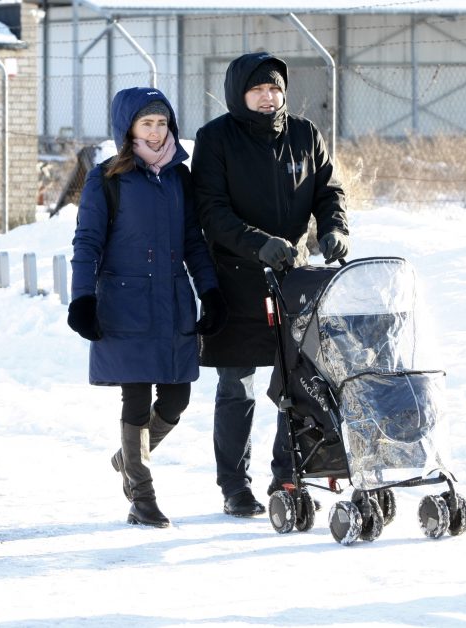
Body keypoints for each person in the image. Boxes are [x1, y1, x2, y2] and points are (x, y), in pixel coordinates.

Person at [191, 52, 349, 517]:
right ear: (240, 93)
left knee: (296, 385)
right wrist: (256, 243)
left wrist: (334, 227)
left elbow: (329, 190)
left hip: (294, 279)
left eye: (275, 88)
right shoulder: (215, 139)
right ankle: (234, 486)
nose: (268, 96)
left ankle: (288, 472)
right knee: (236, 387)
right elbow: (211, 210)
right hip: (237, 278)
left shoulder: (305, 134)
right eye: (258, 89)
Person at [67, 87, 226, 528]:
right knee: (135, 398)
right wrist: (82, 299)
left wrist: (209, 291)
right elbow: (87, 244)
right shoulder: (106, 179)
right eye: (146, 123)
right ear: (128, 129)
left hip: (173, 304)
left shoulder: (181, 177)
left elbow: (194, 242)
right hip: (125, 304)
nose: (156, 133)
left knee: (177, 397)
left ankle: (129, 457)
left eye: (162, 123)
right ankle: (142, 496)